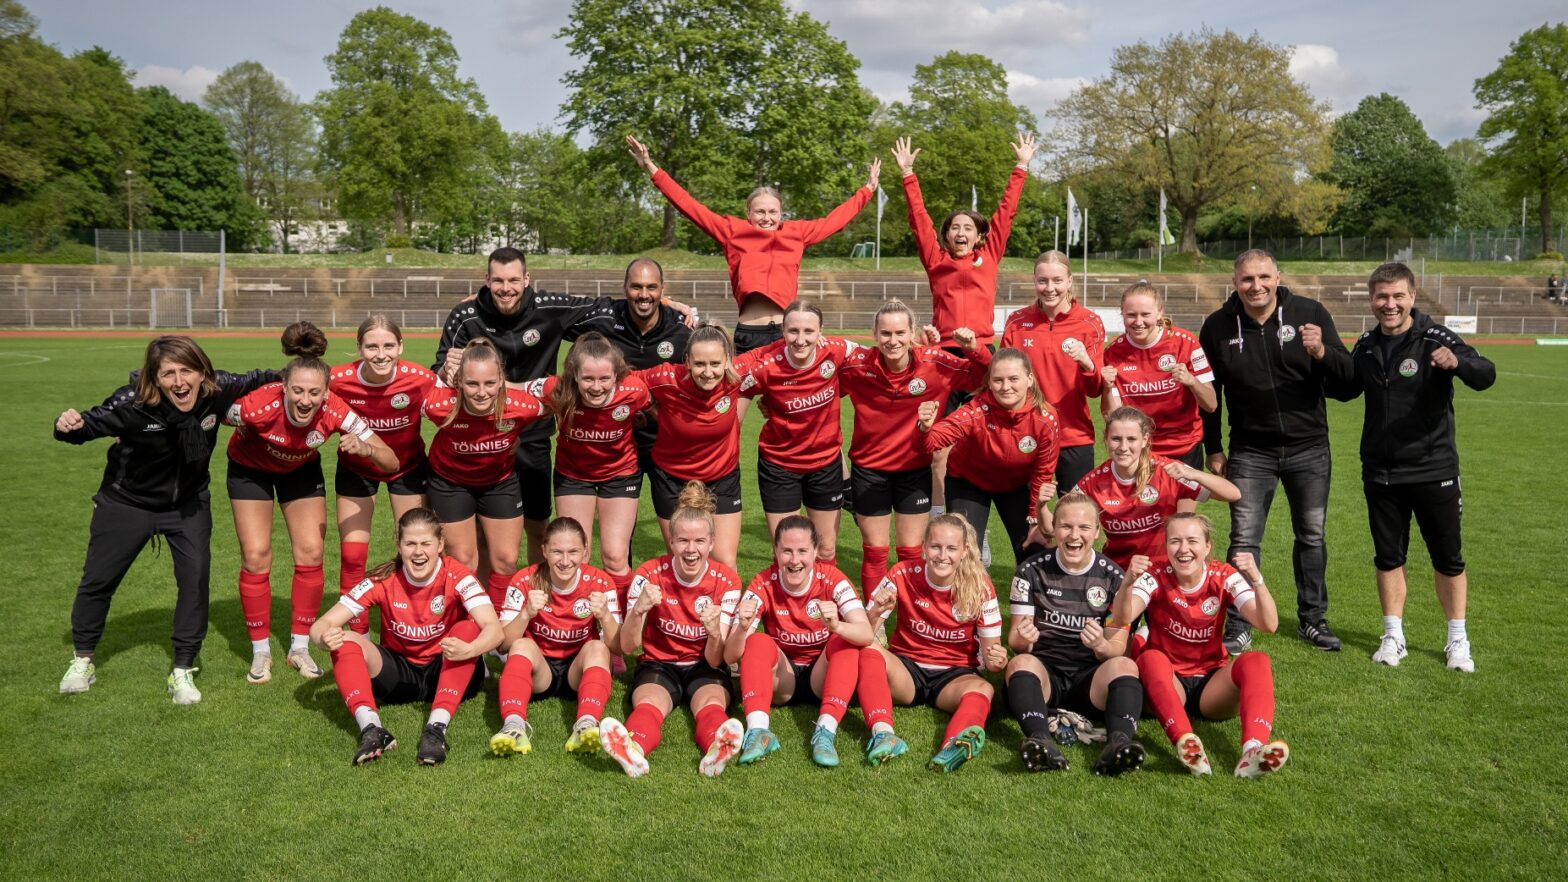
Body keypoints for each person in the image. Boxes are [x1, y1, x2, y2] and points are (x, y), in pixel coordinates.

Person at [54, 336, 276, 703]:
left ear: (202, 371)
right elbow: (86, 427)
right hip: (126, 504)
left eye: (186, 371)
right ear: (154, 378)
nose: (179, 381)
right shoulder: (132, 404)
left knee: (195, 580)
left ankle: (183, 668)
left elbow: (262, 377)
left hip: (187, 506)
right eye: (168, 373)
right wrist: (68, 424)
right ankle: (83, 660)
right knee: (98, 580)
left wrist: (303, 369)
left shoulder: (217, 390)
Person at [435, 247, 681, 565]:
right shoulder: (465, 316)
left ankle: (540, 600)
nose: (505, 288)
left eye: (513, 280)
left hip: (533, 436)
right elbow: (437, 377)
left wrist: (666, 306)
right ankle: (485, 607)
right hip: (481, 440)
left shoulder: (549, 307)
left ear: (527, 279)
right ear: (487, 280)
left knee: (538, 526)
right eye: (498, 281)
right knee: (481, 537)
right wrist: (444, 370)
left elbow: (608, 307)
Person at [1328, 262, 1496, 672]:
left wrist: (1457, 362)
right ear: (1372, 300)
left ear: (1412, 297)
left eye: (1397, 296)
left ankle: (1457, 639)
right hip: (1381, 472)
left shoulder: (1435, 337)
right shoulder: (1366, 345)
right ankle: (1393, 636)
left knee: (1448, 558)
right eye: (1382, 297)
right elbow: (1347, 389)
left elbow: (1485, 373)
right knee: (1388, 557)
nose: (1390, 304)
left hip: (1433, 468)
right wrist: (1319, 356)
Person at [1198, 249, 1354, 652]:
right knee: (1244, 540)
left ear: (1278, 276)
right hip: (1250, 451)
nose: (1256, 286)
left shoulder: (1310, 312)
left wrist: (1321, 353)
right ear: (1235, 283)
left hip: (1310, 448)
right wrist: (1213, 448)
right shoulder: (1217, 326)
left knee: (1312, 537)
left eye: (1264, 277)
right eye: (1248, 279)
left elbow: (1348, 385)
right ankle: (1240, 623)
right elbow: (1209, 395)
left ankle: (1313, 620)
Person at [226, 322, 398, 685]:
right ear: (283, 387)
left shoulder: (336, 411)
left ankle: (299, 647)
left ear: (326, 392)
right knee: (256, 555)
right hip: (249, 471)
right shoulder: (256, 405)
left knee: (310, 552)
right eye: (298, 391)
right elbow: (209, 414)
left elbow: (390, 460)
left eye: (314, 393)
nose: (305, 400)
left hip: (299, 472)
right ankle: (260, 653)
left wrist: (366, 447)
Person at [626, 134, 879, 353]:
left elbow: (835, 220)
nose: (766, 218)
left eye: (772, 212)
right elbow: (690, 206)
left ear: (781, 213)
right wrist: (651, 167)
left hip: (786, 334)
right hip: (748, 332)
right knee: (732, 407)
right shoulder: (732, 231)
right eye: (760, 212)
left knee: (787, 407)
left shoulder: (797, 233)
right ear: (749, 213)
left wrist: (867, 190)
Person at [893, 132, 1035, 523]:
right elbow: (919, 220)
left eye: (967, 228)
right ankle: (941, 518)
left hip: (981, 358)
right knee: (937, 442)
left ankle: (982, 524)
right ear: (946, 234)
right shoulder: (935, 260)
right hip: (942, 358)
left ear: (978, 235)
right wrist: (908, 174)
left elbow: (1006, 212)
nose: (960, 232)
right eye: (954, 227)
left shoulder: (988, 257)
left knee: (982, 436)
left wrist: (1020, 167)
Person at [309, 508, 504, 765]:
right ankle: (371, 729)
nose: (418, 552)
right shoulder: (384, 579)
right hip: (399, 677)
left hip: (447, 667)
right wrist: (323, 638)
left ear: (440, 545)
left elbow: (494, 629)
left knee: (468, 630)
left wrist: (469, 651)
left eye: (426, 543)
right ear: (399, 545)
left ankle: (436, 730)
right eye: (410, 543)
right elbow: (320, 625)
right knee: (343, 639)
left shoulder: (457, 575)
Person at [1108, 513, 1288, 778]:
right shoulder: (1155, 573)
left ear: (1207, 547)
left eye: (1192, 541)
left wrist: (1257, 579)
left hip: (1211, 688)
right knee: (1150, 658)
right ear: (1166, 546)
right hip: (1169, 683)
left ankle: (1253, 749)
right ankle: (1186, 743)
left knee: (1256, 659)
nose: (1183, 550)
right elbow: (1123, 617)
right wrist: (1127, 582)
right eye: (1174, 542)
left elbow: (1268, 624)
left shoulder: (1223, 575)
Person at [839, 300, 990, 595]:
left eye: (899, 333)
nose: (892, 341)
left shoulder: (936, 362)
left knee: (910, 553)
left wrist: (974, 349)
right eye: (885, 334)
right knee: (875, 552)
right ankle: (875, 621)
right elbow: (822, 387)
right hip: (870, 472)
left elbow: (983, 377)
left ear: (912, 333)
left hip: (914, 471)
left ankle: (909, 617)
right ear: (874, 334)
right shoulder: (858, 367)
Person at [598, 482, 745, 778]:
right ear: (672, 541)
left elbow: (717, 661)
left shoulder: (727, 581)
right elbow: (627, 648)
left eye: (700, 541)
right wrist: (639, 609)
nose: (691, 550)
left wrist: (715, 632)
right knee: (650, 704)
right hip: (659, 664)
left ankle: (717, 749)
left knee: (711, 704)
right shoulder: (649, 574)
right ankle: (633, 751)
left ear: (712, 542)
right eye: (683, 542)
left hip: (705, 664)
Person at [1004, 492, 1145, 775]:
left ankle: (1117, 744)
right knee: (1018, 664)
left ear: (1096, 532)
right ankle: (1040, 739)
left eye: (1083, 528)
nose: (1074, 535)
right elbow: (1016, 644)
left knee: (1126, 666)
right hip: (1045, 676)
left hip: (1090, 680)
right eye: (1066, 526)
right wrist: (1025, 638)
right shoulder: (1029, 571)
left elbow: (1117, 650)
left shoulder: (1113, 577)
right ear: (1053, 529)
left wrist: (1100, 645)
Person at [858, 514, 1007, 772]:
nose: (942, 555)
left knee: (984, 689)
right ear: (924, 546)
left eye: (951, 548)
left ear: (965, 551)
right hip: (907, 670)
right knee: (868, 651)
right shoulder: (902, 573)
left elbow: (992, 659)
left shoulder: (980, 586)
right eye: (936, 547)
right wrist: (874, 613)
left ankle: (953, 745)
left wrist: (998, 659)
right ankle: (883, 733)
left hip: (954, 676)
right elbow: (863, 634)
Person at [723, 517, 875, 768]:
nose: (795, 561)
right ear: (776, 551)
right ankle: (758, 732)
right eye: (787, 551)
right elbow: (729, 656)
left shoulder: (832, 579)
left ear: (815, 551)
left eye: (802, 551)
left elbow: (865, 633)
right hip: (783, 678)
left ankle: (825, 733)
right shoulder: (763, 582)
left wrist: (836, 625)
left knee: (844, 641)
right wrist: (740, 627)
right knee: (757, 640)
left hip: (823, 675)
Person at [329, 315, 438, 633]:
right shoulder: (337, 380)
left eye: (389, 345)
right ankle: (356, 630)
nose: (381, 354)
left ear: (401, 346)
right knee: (352, 555)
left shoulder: (420, 379)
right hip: (356, 468)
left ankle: (414, 620)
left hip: (408, 468)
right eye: (372, 346)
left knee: (415, 549)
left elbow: (455, 402)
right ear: (359, 348)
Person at [422, 338, 549, 607]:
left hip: (499, 483)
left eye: (490, 383)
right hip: (450, 483)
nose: (481, 392)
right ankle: (470, 623)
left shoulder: (522, 405)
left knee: (505, 560)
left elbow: (563, 397)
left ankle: (501, 626)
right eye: (472, 384)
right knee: (464, 560)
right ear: (459, 383)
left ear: (502, 380)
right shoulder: (438, 405)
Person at [490, 516, 622, 756]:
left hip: (578, 672)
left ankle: (586, 725)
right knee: (521, 644)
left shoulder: (601, 582)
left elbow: (618, 647)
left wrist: (605, 616)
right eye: (557, 552)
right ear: (544, 551)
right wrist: (525, 614)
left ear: (584, 553)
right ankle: (513, 727)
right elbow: (502, 646)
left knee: (598, 648)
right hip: (540, 672)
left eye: (573, 552)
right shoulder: (524, 580)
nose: (564, 560)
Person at [733, 301, 855, 560]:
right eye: (793, 331)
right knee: (786, 551)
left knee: (826, 548)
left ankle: (823, 598)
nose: (800, 340)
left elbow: (882, 358)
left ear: (821, 330)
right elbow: (728, 378)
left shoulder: (836, 351)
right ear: (782, 331)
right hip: (779, 466)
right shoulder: (767, 365)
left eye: (809, 332)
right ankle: (785, 602)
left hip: (825, 465)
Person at [537, 333, 650, 609]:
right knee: (577, 556)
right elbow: (510, 390)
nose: (596, 387)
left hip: (620, 473)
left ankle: (619, 630)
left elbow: (656, 408)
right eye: (588, 379)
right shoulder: (558, 389)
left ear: (616, 375)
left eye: (604, 379)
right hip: (574, 476)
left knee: (614, 556)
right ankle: (575, 625)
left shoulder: (634, 390)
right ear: (574, 375)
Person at [917, 347, 1060, 563]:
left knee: (1033, 548)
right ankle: (967, 596)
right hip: (968, 483)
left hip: (1016, 486)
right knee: (965, 552)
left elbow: (1043, 471)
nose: (1005, 387)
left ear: (1029, 379)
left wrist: (1033, 518)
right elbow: (933, 442)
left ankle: (1028, 595)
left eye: (1014, 379)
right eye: (998, 380)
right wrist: (925, 427)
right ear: (989, 382)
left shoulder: (1046, 418)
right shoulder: (976, 410)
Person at [635, 324, 745, 569]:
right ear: (686, 361)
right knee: (681, 559)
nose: (708, 372)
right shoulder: (665, 378)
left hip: (722, 477)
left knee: (724, 561)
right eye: (700, 364)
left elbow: (776, 358)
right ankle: (681, 608)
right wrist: (642, 407)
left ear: (727, 360)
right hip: (671, 477)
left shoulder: (739, 376)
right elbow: (621, 381)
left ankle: (726, 608)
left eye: (715, 364)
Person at [1074, 406, 1239, 569]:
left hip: (1164, 572)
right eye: (1116, 439)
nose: (1123, 447)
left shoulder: (1166, 470)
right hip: (1119, 574)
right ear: (1106, 438)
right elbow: (1064, 517)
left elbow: (1233, 493)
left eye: (1131, 439)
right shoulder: (1093, 482)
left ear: (1145, 439)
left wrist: (1194, 474)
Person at [1000, 250, 1106, 491]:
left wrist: (1086, 364)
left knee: (1077, 519)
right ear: (1034, 281)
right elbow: (1001, 382)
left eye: (1057, 280)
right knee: (1030, 520)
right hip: (1027, 435)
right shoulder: (1017, 322)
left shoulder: (1089, 322)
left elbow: (1095, 390)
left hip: (1074, 436)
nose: (1050, 288)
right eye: (1042, 281)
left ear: (1069, 281)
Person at [1100, 282, 1216, 468]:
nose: (1138, 322)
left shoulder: (1186, 343)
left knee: (1183, 499)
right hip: (1139, 451)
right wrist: (1107, 387)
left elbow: (1211, 404)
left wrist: (1191, 381)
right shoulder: (1113, 353)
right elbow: (1113, 415)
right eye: (1131, 315)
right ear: (1122, 313)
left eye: (1145, 314)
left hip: (1184, 448)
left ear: (1160, 312)